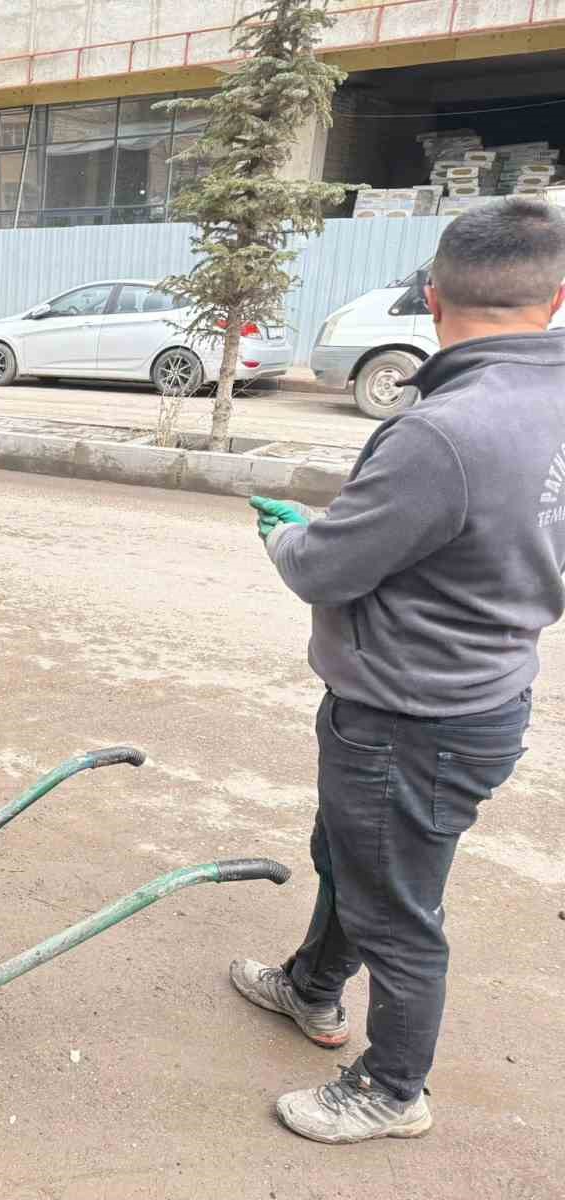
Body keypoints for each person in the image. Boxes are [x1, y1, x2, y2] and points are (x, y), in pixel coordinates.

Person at [235, 197, 565, 1144]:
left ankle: (392, 1091)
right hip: (485, 694)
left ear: (433, 298)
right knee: (355, 857)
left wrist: (292, 535)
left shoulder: (444, 432)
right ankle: (310, 987)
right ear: (555, 300)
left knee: (396, 910)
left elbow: (326, 569)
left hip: (409, 717)